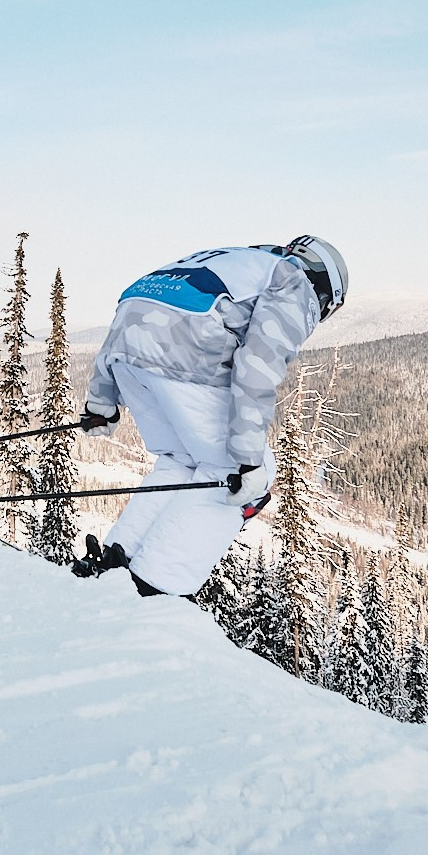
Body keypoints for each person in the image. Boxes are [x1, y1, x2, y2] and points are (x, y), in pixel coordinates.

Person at [71, 236, 347, 597]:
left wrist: (101, 400)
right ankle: (154, 589)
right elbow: (256, 367)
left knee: (181, 461)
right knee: (241, 475)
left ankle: (113, 564)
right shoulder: (293, 281)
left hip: (130, 354)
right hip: (187, 361)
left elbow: (135, 307)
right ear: (326, 291)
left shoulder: (241, 260)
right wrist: (246, 460)